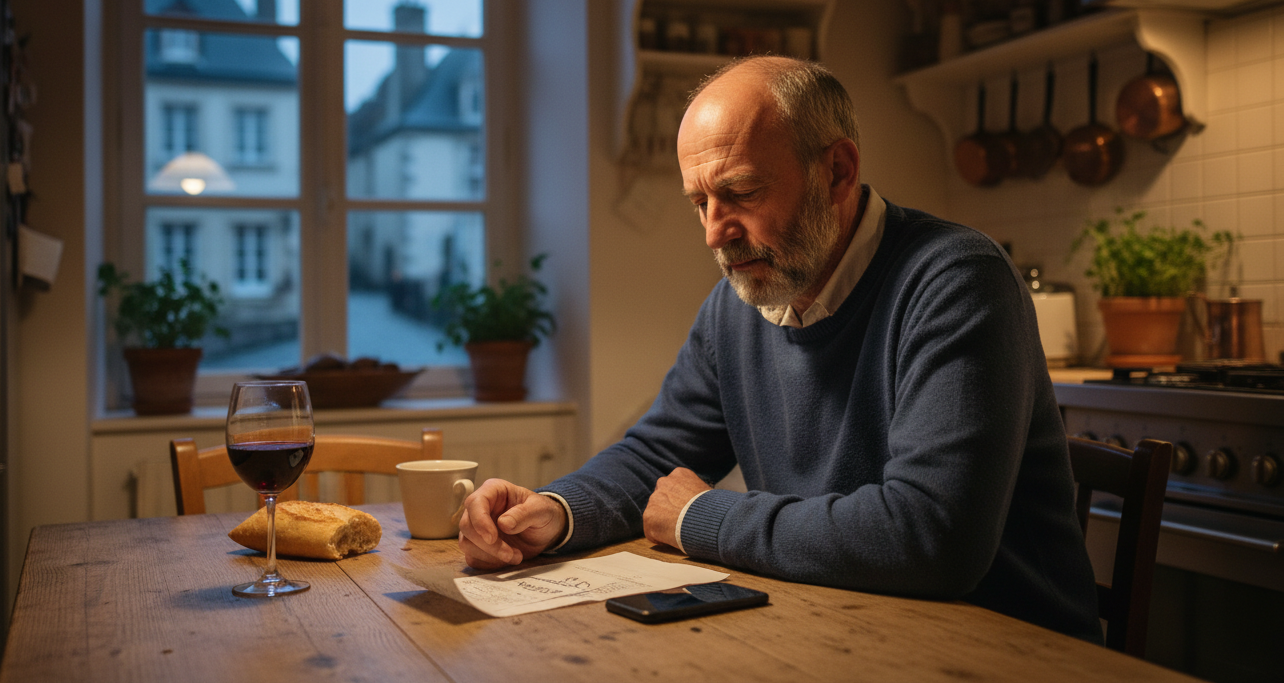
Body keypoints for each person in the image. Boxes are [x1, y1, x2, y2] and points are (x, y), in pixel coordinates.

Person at [458, 56, 1102, 642]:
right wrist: (556, 511)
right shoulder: (737, 306)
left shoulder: (957, 281)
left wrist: (701, 517)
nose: (715, 233)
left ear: (838, 172)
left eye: (740, 193)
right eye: (700, 202)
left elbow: (933, 536)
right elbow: (657, 456)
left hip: (1010, 651)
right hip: (846, 631)